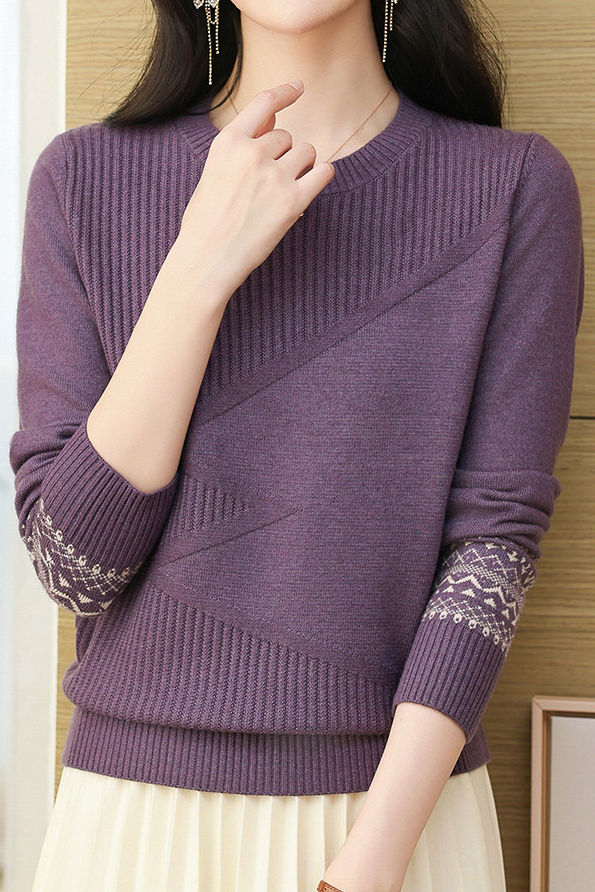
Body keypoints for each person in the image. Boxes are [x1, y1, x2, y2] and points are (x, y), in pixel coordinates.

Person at [10, 0, 584, 890]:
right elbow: (72, 568)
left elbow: (491, 551)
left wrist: (365, 869)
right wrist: (199, 264)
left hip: (395, 828)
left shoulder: (511, 187)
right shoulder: (82, 178)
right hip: (134, 828)